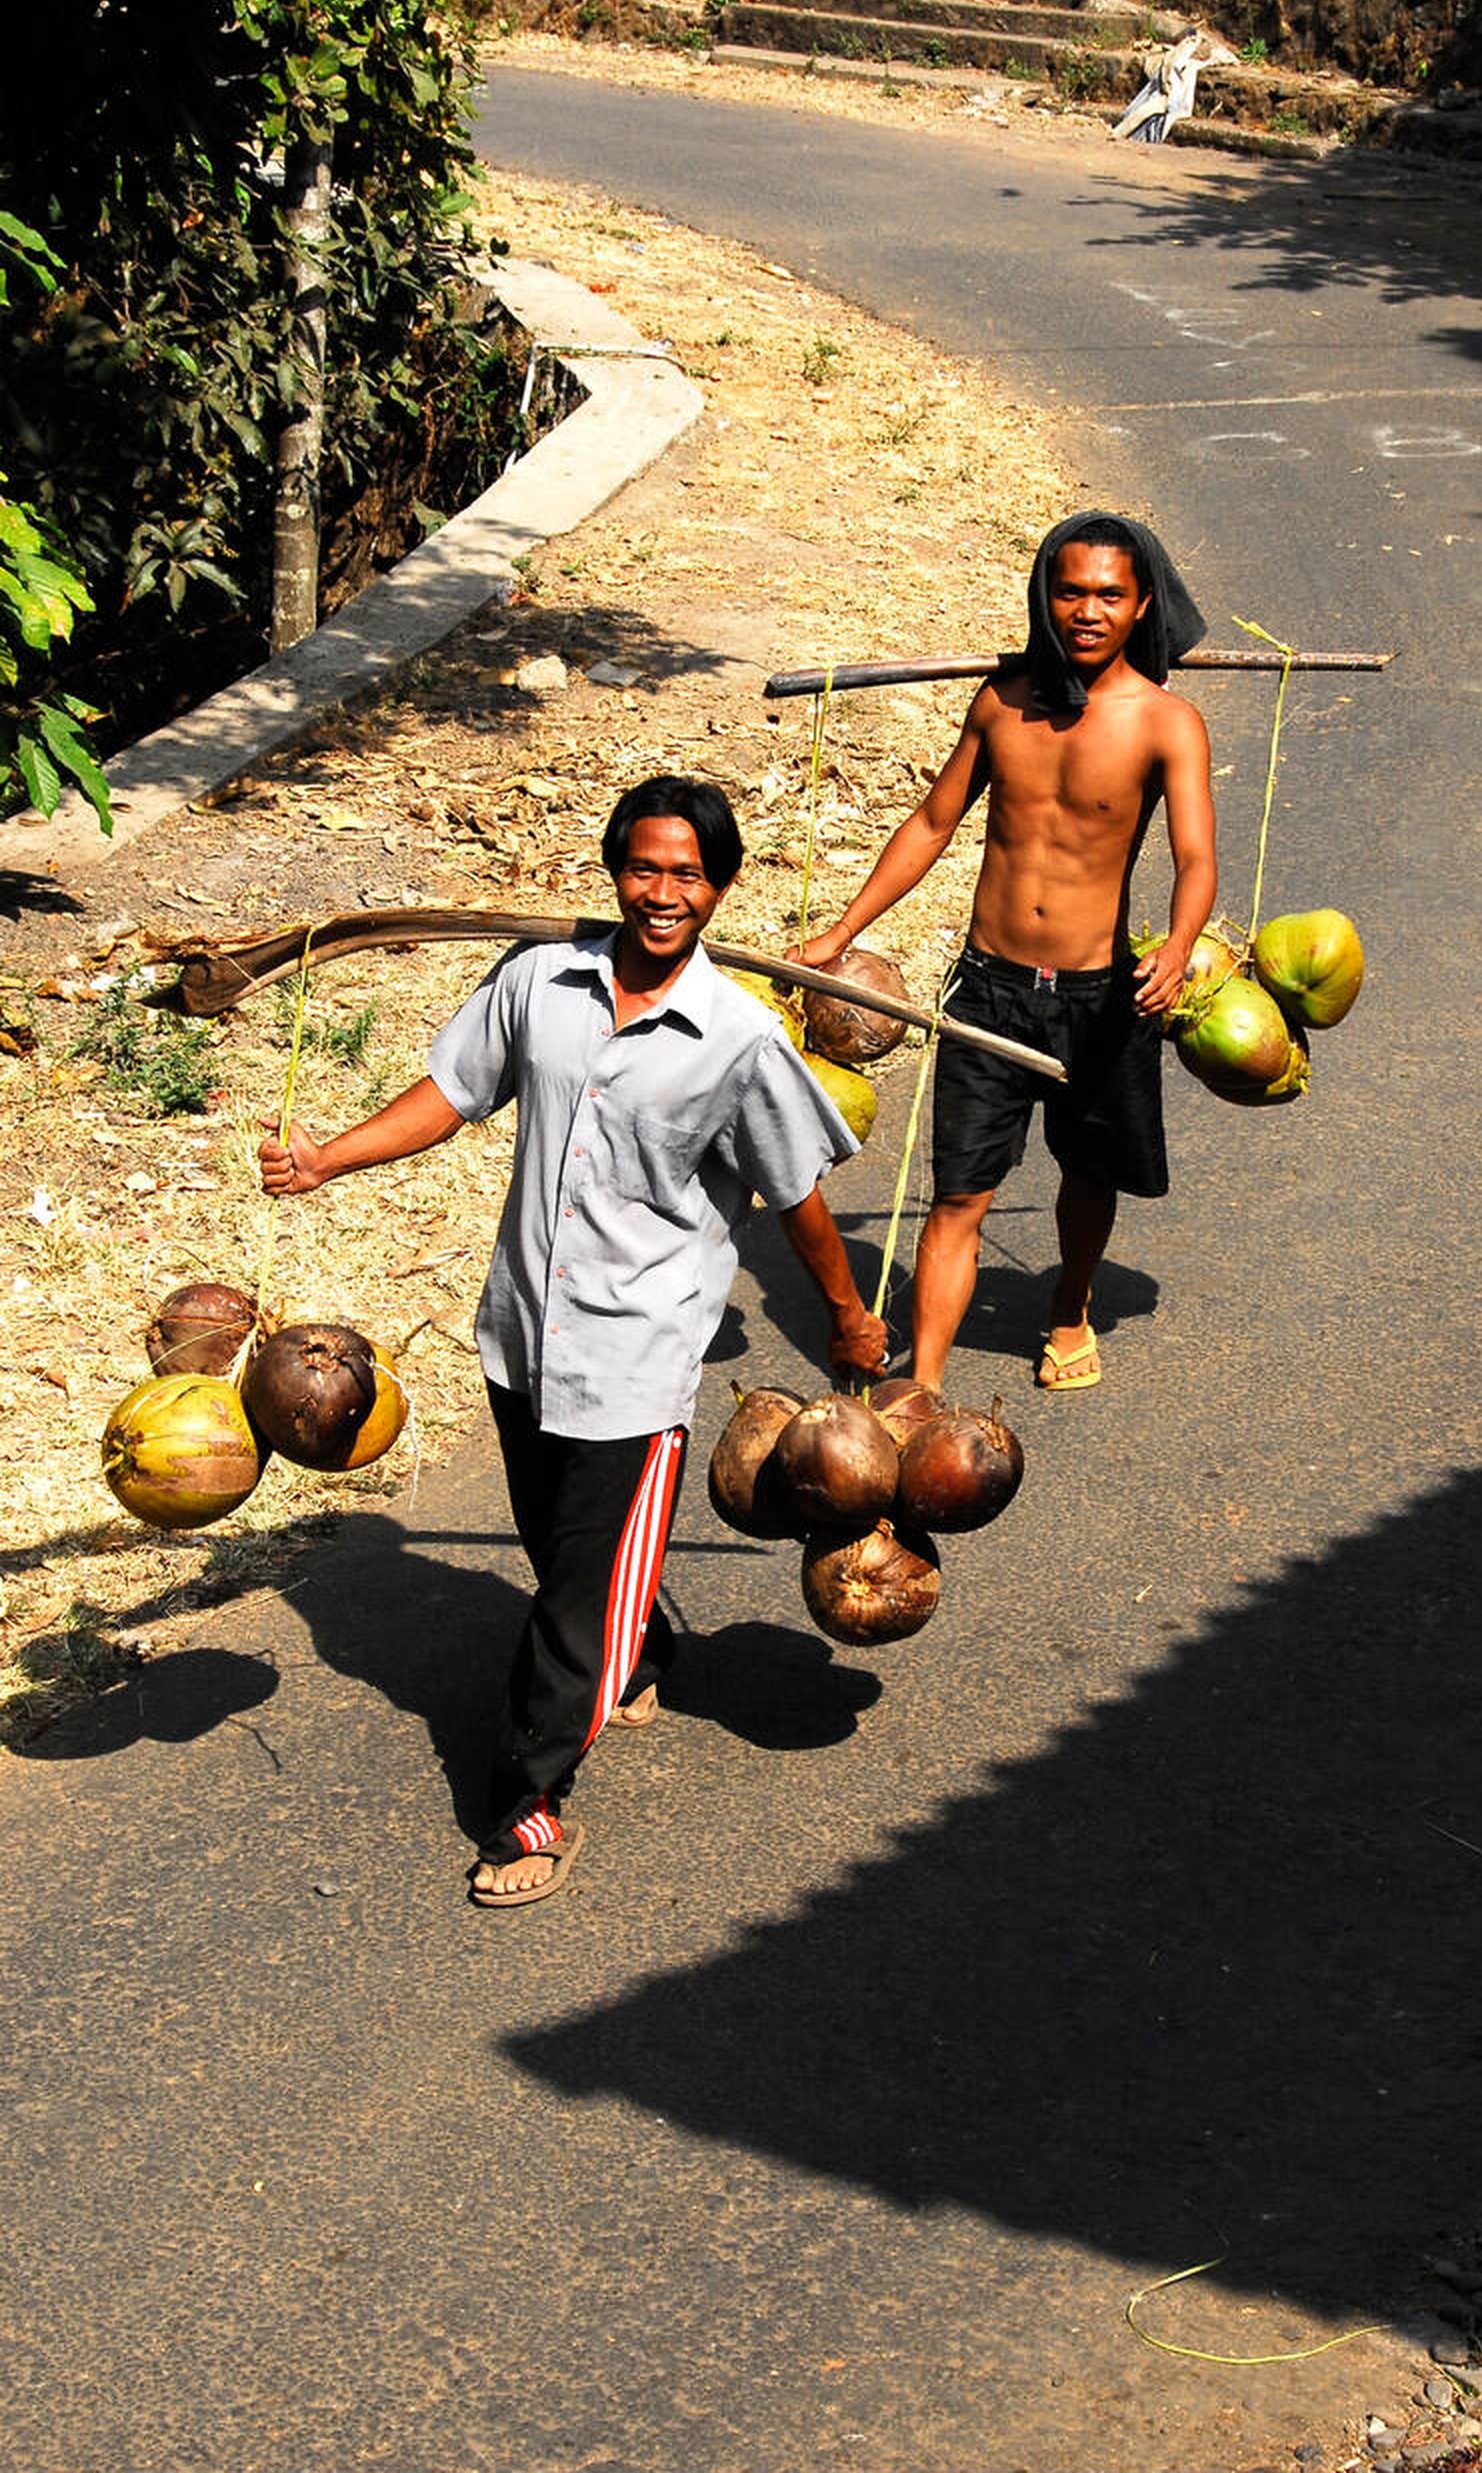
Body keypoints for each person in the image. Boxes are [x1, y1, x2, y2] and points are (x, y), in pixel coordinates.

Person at [260, 775, 887, 1908]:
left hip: (637, 1356)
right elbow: (450, 1093)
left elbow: (796, 1191)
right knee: (563, 1551)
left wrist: (846, 1315)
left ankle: (527, 1805)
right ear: (614, 870)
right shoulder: (539, 982)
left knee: (570, 1602)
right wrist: (326, 1159)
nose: (663, 893)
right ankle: (636, 1647)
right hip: (521, 1335)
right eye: (645, 868)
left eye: (687, 875)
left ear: (720, 886)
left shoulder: (741, 1037)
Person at [795, 511, 1216, 1394]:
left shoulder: (1167, 723)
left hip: (1102, 997)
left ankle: (1069, 1306)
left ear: (1143, 606)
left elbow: (1194, 857)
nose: (1088, 611)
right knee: (960, 1195)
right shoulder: (1001, 703)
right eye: (1071, 591)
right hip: (988, 990)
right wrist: (842, 931)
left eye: (1110, 594)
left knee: (1089, 1167)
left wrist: (1177, 947)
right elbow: (933, 823)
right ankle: (925, 1389)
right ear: (1045, 596)